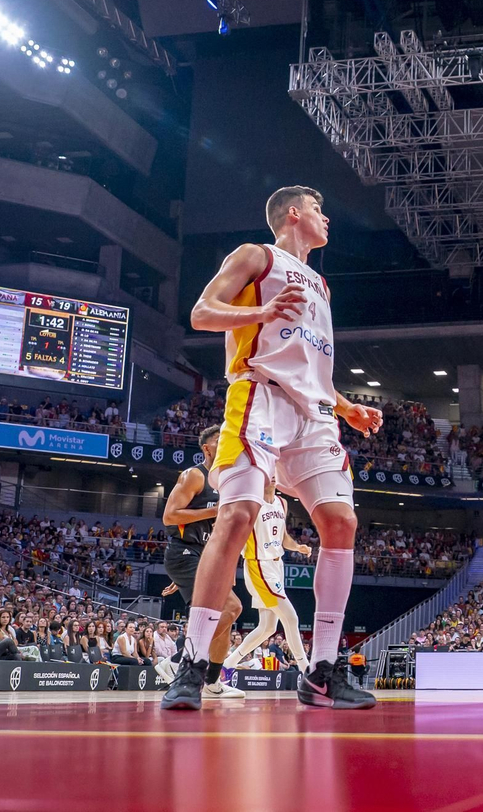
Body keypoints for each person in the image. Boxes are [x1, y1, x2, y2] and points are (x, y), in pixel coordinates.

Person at [162, 186, 381, 711]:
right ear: (293, 213)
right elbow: (201, 313)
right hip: (258, 396)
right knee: (236, 515)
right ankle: (192, 664)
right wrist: (258, 313)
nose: (326, 218)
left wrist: (346, 405)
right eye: (318, 209)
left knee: (341, 523)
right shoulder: (256, 256)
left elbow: (307, 361)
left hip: (315, 414)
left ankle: (323, 672)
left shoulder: (322, 286)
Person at [160, 427, 245, 700]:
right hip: (184, 552)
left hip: (206, 555)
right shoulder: (194, 475)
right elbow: (169, 516)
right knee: (233, 606)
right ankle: (177, 661)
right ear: (207, 449)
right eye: (221, 441)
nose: (227, 445)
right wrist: (214, 509)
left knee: (228, 617)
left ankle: (211, 683)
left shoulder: (228, 481)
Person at [227, 479, 312, 671]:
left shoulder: (282, 502)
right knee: (291, 617)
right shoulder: (252, 502)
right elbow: (237, 536)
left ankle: (227, 664)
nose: (272, 476)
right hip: (258, 565)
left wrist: (298, 547)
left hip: (277, 565)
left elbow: (282, 538)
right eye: (267, 473)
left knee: (267, 627)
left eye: (274, 473)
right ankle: (305, 669)